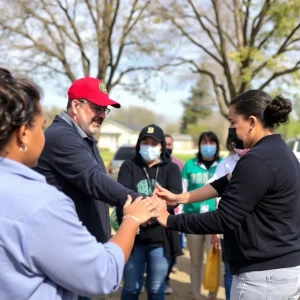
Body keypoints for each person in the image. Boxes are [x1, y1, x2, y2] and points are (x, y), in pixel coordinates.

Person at [0, 69, 160, 300]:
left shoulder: (83, 138)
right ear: (76, 106)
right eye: (97, 108)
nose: (102, 114)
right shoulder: (62, 137)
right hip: (71, 260)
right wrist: (138, 207)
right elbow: (96, 179)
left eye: (104, 110)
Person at [154, 90, 300, 300]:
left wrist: (170, 220)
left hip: (262, 278)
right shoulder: (281, 153)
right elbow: (226, 181)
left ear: (251, 122)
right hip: (286, 269)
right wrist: (180, 198)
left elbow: (223, 219)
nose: (231, 130)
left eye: (233, 122)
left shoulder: (256, 161)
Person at [117, 125, 183, 300]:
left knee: (156, 288)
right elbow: (123, 196)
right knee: (131, 287)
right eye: (145, 142)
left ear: (162, 146)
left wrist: (144, 212)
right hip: (133, 237)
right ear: (139, 144)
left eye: (154, 143)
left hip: (161, 239)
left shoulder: (171, 168)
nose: (149, 146)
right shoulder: (128, 166)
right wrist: (150, 209)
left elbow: (173, 198)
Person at [181, 131, 221, 300]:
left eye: (211, 143)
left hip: (215, 221)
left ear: (217, 146)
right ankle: (197, 296)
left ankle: (213, 295)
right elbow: (182, 192)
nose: (208, 146)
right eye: (204, 142)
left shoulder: (223, 164)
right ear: (199, 145)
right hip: (193, 219)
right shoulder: (189, 165)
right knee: (195, 262)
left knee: (214, 261)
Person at [209, 136, 249, 300]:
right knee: (229, 270)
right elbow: (214, 192)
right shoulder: (225, 163)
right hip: (228, 228)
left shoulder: (259, 161)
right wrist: (216, 231)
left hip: (249, 229)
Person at [164, 133, 184, 294]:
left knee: (172, 249)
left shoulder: (178, 164)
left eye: (170, 144)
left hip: (175, 215)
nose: (167, 147)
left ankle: (166, 279)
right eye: (165, 144)